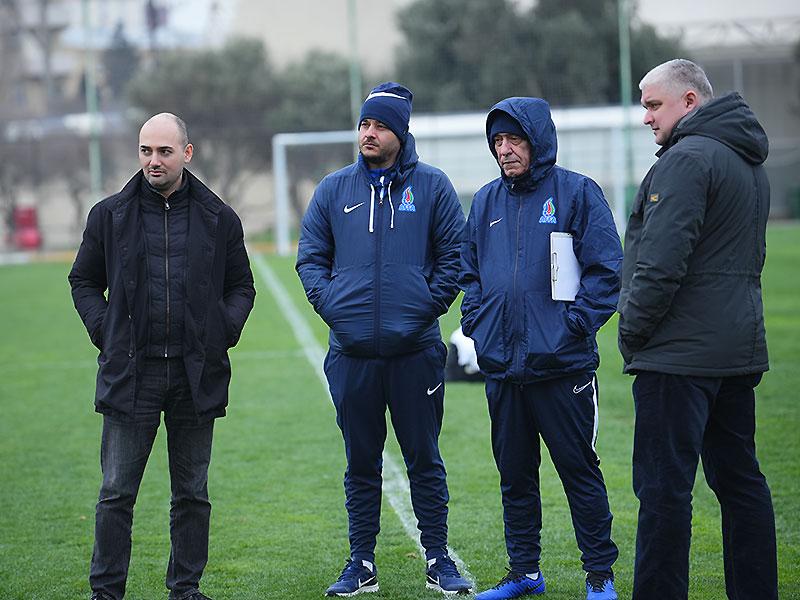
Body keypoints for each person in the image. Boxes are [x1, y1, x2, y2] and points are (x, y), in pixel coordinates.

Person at [68, 112, 256, 600]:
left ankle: (185, 589)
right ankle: (106, 592)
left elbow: (241, 287)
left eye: (164, 151)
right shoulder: (108, 216)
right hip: (133, 374)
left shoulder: (220, 218)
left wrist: (221, 334)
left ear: (186, 154)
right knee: (115, 494)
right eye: (146, 151)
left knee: (192, 494)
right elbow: (83, 281)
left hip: (196, 376)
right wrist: (104, 331)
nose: (154, 161)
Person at [296, 82, 471, 596]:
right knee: (360, 461)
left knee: (424, 459)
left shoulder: (434, 187)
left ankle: (438, 558)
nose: (368, 134)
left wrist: (421, 309)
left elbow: (454, 259)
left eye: (379, 126)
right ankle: (361, 561)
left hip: (416, 353)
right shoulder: (333, 190)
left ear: (401, 132)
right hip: (351, 357)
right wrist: (334, 308)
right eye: (364, 124)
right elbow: (310, 258)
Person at [618, 59, 777, 600]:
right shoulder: (747, 159)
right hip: (735, 350)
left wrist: (633, 333)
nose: (646, 117)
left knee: (664, 493)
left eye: (653, 104)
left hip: (678, 357)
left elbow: (661, 264)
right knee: (741, 484)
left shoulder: (687, 160)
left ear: (690, 102)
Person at [460, 97, 622, 600]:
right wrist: (477, 325)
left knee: (579, 473)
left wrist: (572, 326)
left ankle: (599, 576)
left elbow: (606, 271)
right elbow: (471, 274)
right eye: (497, 142)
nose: (504, 150)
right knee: (514, 476)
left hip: (563, 367)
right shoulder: (485, 201)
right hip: (504, 369)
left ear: (538, 140)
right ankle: (525, 573)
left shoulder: (577, 193)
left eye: (514, 140)